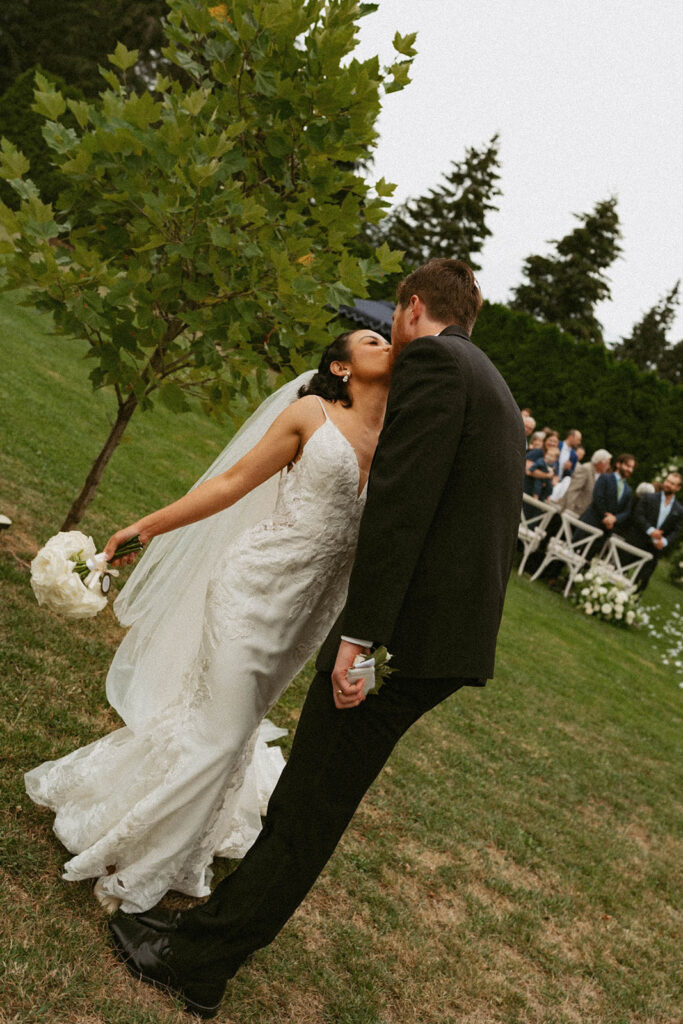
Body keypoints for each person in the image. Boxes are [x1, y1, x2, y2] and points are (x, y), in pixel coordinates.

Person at [108, 257, 525, 1019]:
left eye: (389, 320)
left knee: (308, 802)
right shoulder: (486, 377)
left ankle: (198, 963)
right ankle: (204, 939)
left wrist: (361, 637)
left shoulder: (433, 361)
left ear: (409, 307)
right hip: (442, 639)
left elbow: (402, 506)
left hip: (404, 644)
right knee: (311, 794)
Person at [24, 328, 392, 915]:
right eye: (373, 338)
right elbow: (231, 483)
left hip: (308, 615)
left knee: (227, 732)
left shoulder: (403, 438)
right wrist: (145, 527)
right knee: (220, 737)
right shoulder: (310, 413)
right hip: (250, 589)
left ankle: (160, 836)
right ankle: (136, 874)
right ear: (342, 367)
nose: (388, 342)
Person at [620, 471, 683, 591]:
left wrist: (664, 541)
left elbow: (677, 530)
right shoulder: (649, 497)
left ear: (678, 488)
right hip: (636, 540)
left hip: (654, 549)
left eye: (673, 484)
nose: (668, 485)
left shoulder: (679, 510)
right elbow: (638, 515)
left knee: (642, 581)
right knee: (621, 569)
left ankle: (630, 604)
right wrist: (650, 530)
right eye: (668, 481)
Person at [579, 452, 636, 559]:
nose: (630, 470)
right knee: (575, 550)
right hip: (592, 521)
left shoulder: (628, 490)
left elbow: (627, 511)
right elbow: (598, 498)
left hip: (605, 529)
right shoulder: (605, 478)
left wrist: (614, 519)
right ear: (618, 464)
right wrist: (606, 517)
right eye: (627, 466)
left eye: (632, 467)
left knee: (588, 558)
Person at [557, 448, 612, 518]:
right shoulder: (586, 469)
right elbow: (573, 489)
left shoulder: (601, 475)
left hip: (581, 514)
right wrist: (569, 510)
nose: (609, 466)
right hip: (571, 511)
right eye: (607, 463)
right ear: (600, 462)